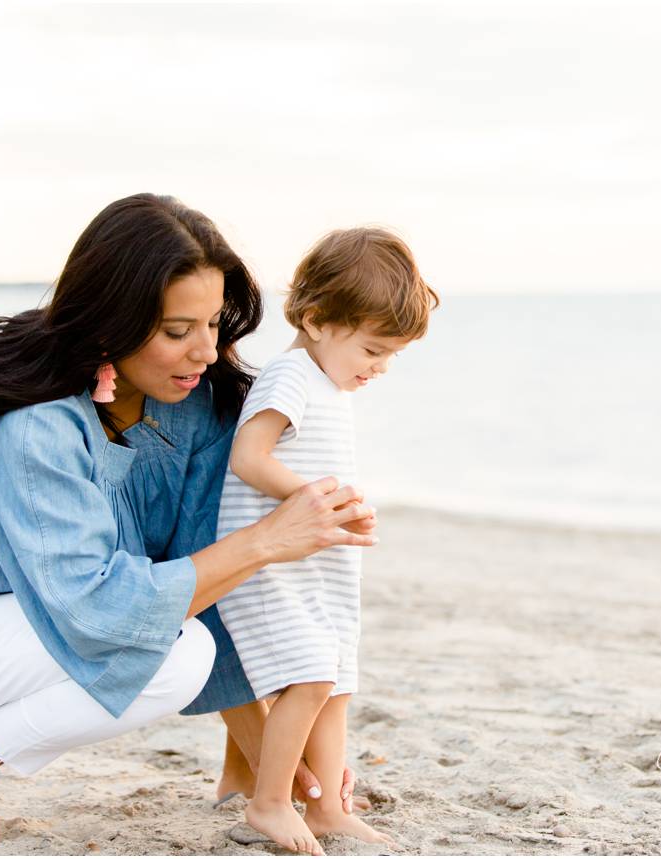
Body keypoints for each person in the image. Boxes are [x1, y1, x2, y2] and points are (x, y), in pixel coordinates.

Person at [0, 194, 377, 845]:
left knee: (191, 626)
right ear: (109, 320)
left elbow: (204, 581)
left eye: (215, 323)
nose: (207, 352)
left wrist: (286, 766)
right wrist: (268, 540)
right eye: (177, 330)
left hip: (54, 620)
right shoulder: (29, 412)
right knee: (172, 657)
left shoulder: (196, 401)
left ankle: (238, 779)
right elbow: (102, 610)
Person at [216, 227, 437, 854]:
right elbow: (249, 457)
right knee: (309, 678)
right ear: (316, 320)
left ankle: (328, 811)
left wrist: (342, 514)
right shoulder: (289, 375)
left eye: (392, 354)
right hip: (272, 566)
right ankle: (270, 802)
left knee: (337, 680)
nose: (381, 367)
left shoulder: (327, 385)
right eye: (373, 349)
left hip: (317, 563)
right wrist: (317, 501)